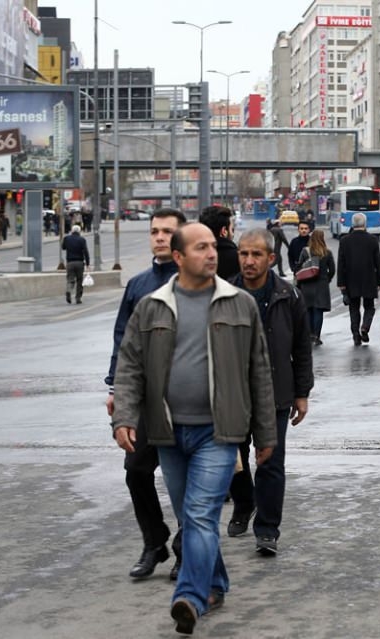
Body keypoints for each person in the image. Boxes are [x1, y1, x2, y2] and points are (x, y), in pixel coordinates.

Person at [113, 222, 277, 634]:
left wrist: (266, 434)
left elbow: (259, 371)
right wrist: (124, 417)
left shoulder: (239, 304)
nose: (212, 253)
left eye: (212, 246)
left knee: (201, 515)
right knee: (193, 518)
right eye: (201, 247)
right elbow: (130, 367)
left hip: (219, 433)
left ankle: (189, 596)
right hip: (168, 433)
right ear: (180, 257)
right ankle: (216, 583)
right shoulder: (152, 306)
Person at [105, 208, 187, 582]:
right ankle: (154, 542)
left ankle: (189, 549)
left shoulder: (198, 282)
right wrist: (115, 390)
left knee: (187, 480)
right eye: (154, 231)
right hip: (145, 398)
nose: (159, 237)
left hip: (190, 397)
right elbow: (123, 339)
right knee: (136, 470)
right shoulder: (138, 284)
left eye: (167, 232)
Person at [227, 228, 313, 556]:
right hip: (233, 394)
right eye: (244, 254)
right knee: (230, 461)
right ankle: (245, 501)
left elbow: (301, 347)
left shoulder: (288, 295)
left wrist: (302, 393)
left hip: (276, 392)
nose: (249, 261)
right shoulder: (224, 293)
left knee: (271, 463)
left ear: (271, 259)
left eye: (256, 255)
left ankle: (267, 530)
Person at [337, 212, 380, 346]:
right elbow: (377, 263)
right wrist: (379, 281)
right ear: (365, 224)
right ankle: (365, 327)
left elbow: (341, 263)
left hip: (350, 279)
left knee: (353, 308)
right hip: (369, 278)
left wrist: (341, 283)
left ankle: (356, 335)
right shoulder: (372, 240)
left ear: (352, 224)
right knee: (369, 307)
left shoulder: (345, 241)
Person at [296, 229, 335, 346]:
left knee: (308, 310)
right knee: (318, 311)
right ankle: (316, 336)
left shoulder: (305, 251)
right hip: (321, 285)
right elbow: (332, 270)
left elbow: (298, 267)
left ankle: (309, 334)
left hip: (306, 285)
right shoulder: (327, 252)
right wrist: (326, 279)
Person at [199, 205, 239, 280]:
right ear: (224, 231)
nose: (233, 234)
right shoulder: (240, 258)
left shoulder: (193, 257)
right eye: (232, 229)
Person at [61, 225, 90, 304]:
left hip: (70, 262)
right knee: (79, 281)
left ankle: (68, 291)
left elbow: (63, 247)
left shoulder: (67, 239)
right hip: (79, 262)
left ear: (72, 230)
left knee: (70, 279)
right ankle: (78, 298)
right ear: (79, 231)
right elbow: (85, 252)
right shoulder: (82, 240)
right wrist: (88, 263)